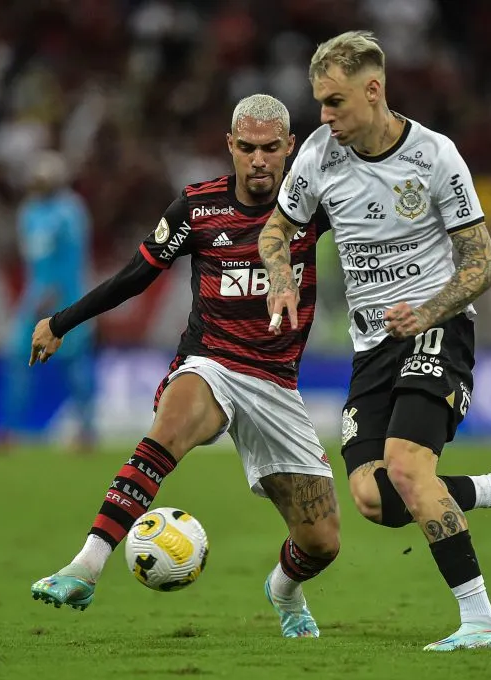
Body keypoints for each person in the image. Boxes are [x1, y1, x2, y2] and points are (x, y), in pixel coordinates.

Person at [259, 31, 491, 652]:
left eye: (335, 102)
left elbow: (483, 263)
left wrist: (430, 310)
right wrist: (281, 277)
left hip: (439, 327)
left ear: (374, 89)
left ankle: (482, 621)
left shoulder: (436, 157)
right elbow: (276, 229)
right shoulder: (317, 157)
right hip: (373, 347)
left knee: (411, 471)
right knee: (373, 498)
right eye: (319, 104)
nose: (325, 117)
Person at [29, 94, 340, 638]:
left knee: (322, 541)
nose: (260, 160)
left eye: (271, 148)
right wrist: (62, 322)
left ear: (291, 148)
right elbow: (134, 276)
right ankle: (85, 567)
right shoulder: (197, 209)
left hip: (276, 385)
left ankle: (284, 589)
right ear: (230, 146)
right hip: (211, 361)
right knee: (167, 431)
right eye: (247, 148)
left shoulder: (314, 208)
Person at [0, 151, 95, 449]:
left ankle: (87, 431)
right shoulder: (28, 212)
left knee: (75, 363)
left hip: (68, 297)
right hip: (35, 297)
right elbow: (33, 261)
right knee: (17, 358)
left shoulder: (70, 211)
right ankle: (10, 430)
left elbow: (72, 258)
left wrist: (55, 291)